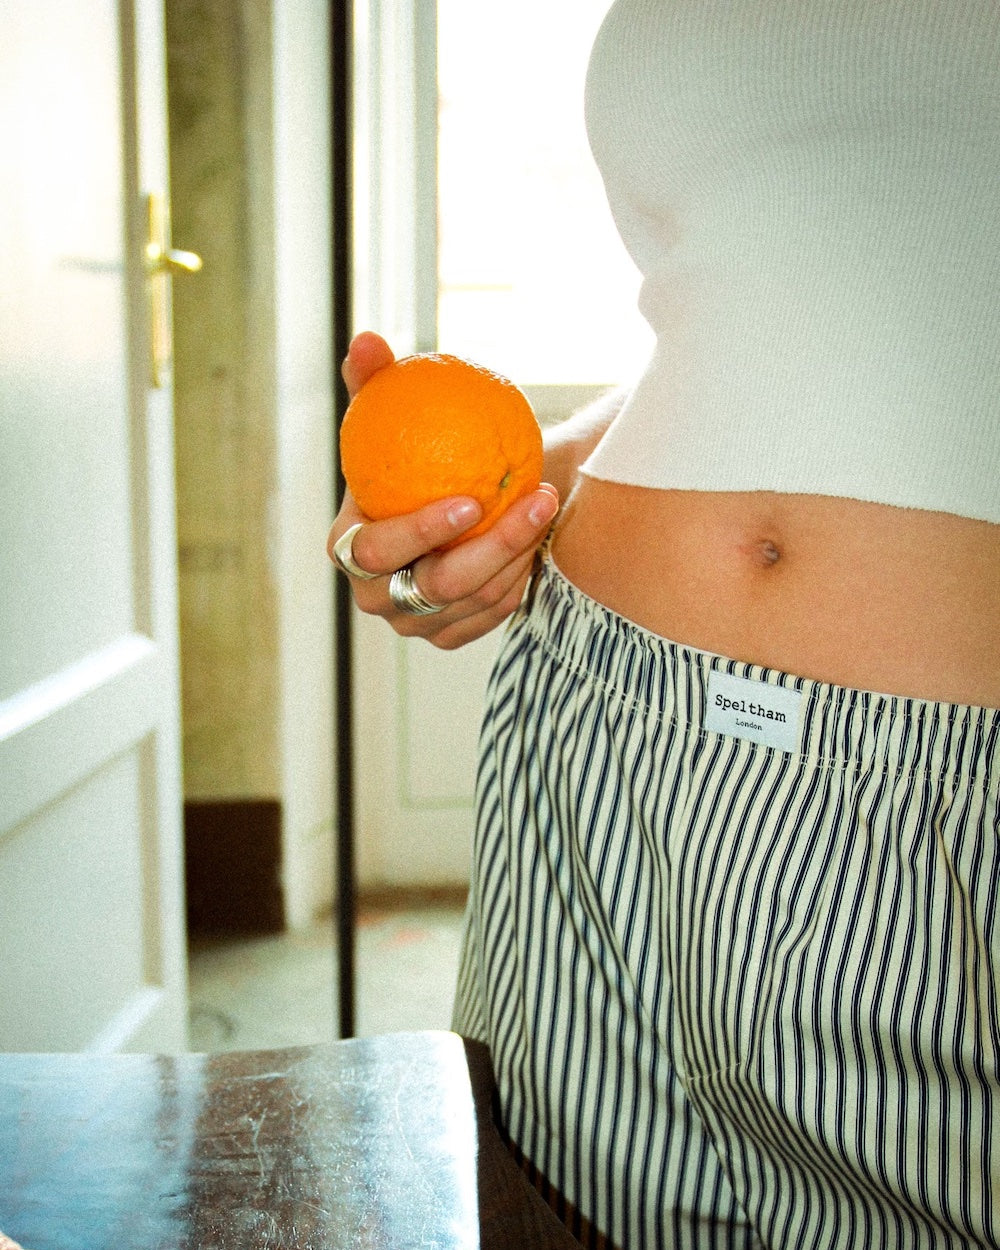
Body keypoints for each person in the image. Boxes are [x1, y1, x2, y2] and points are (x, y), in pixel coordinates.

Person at [329, 2, 1000, 1246]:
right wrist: (504, 505)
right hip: (595, 735)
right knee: (543, 1207)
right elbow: (744, 306)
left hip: (952, 822)